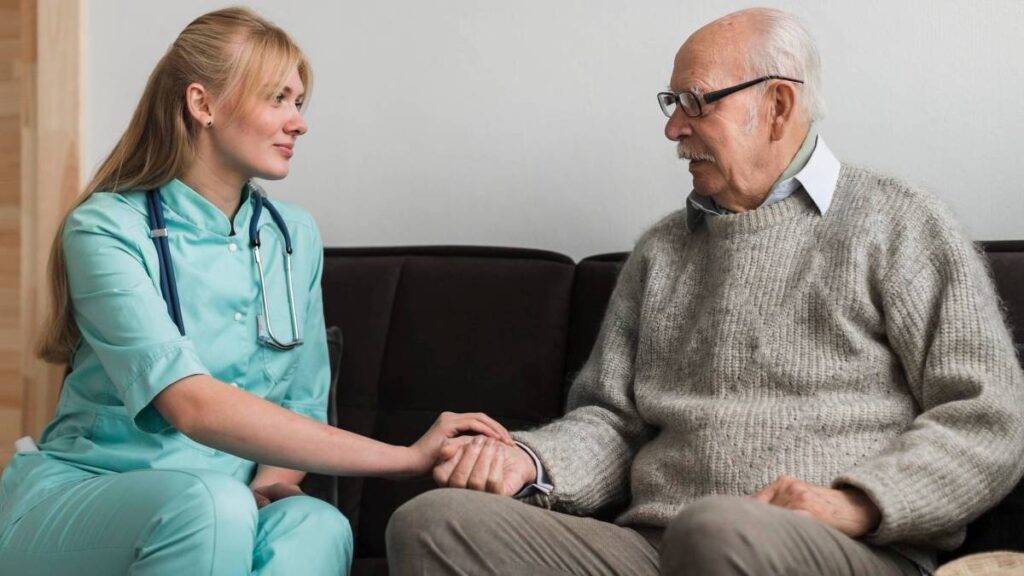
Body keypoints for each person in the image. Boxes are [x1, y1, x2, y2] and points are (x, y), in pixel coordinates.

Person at [386, 7, 1024, 576]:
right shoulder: (662, 251)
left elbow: (989, 418)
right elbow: (612, 424)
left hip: (836, 549)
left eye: (696, 102)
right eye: (672, 103)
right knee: (432, 523)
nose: (673, 129)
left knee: (714, 529)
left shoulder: (901, 223)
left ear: (776, 105)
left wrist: (858, 502)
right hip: (656, 547)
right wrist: (529, 460)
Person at [0, 8, 512, 576]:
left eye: (299, 103)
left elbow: (301, 400)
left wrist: (268, 487)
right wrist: (403, 458)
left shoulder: (294, 238)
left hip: (223, 504)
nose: (299, 123)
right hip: (87, 497)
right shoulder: (106, 228)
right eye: (278, 99)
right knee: (210, 504)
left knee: (316, 526)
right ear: (203, 104)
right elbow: (191, 405)